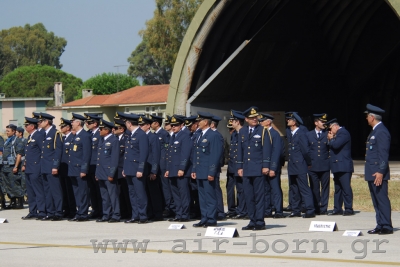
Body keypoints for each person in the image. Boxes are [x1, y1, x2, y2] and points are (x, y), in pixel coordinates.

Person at [237, 106, 271, 230]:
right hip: (246, 168)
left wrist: (266, 165)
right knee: (248, 196)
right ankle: (252, 220)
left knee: (259, 196)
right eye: (251, 118)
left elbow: (266, 150)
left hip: (258, 168)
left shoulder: (263, 131)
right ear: (246, 119)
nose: (254, 119)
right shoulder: (242, 131)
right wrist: (239, 166)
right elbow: (240, 150)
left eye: (255, 117)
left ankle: (260, 221)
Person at [364, 104, 393, 235]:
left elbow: (383, 154)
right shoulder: (375, 131)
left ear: (372, 117)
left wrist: (381, 171)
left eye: (367, 116)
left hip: (377, 173)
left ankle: (387, 225)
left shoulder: (381, 131)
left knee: (381, 199)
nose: (366, 118)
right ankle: (380, 224)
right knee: (376, 201)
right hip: (372, 172)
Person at [191, 111, 223, 228]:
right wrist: (194, 169)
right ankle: (204, 218)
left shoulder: (213, 135)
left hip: (208, 171)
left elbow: (215, 155)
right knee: (202, 196)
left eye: (200, 121)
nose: (198, 123)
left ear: (205, 122)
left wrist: (212, 171)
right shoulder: (200, 134)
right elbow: (196, 154)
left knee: (210, 195)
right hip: (200, 170)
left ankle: (211, 218)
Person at [286, 112, 315, 218]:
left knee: (304, 188)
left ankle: (310, 209)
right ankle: (295, 209)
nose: (287, 121)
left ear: (294, 122)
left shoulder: (301, 134)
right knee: (294, 188)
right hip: (292, 165)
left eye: (289, 119)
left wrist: (308, 163)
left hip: (300, 165)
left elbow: (305, 151)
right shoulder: (291, 133)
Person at [122, 113, 150, 224]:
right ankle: (135, 215)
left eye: (126, 123)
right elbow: (127, 154)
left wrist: (141, 169)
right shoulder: (131, 134)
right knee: (132, 193)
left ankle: (143, 215)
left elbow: (143, 154)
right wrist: (125, 168)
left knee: (140, 193)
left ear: (129, 123)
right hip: (129, 168)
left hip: (137, 169)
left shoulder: (141, 135)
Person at [165, 115, 192, 222]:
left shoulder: (185, 136)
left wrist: (182, 168)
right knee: (175, 193)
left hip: (181, 171)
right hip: (172, 169)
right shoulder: (173, 136)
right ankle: (178, 213)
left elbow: (185, 154)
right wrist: (168, 169)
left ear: (182, 125)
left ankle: (185, 214)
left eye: (176, 125)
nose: (173, 127)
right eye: (172, 125)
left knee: (183, 193)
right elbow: (169, 155)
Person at [325, 118, 354, 216]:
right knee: (338, 188)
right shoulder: (337, 134)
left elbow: (336, 145)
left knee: (346, 188)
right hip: (337, 166)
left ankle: (348, 208)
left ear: (335, 126)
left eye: (330, 129)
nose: (330, 132)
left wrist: (331, 138)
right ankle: (337, 208)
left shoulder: (343, 133)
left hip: (344, 165)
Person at [259, 113, 285, 219]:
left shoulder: (274, 134)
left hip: (272, 166)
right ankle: (267, 210)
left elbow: (276, 152)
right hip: (263, 166)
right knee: (265, 189)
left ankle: (278, 210)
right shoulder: (262, 133)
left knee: (275, 189)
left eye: (262, 120)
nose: (260, 122)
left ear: (268, 122)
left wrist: (273, 167)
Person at [38, 112, 63, 221]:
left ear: (46, 122)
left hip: (51, 167)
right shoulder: (44, 134)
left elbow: (58, 151)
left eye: (41, 121)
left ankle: (58, 212)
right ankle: (50, 212)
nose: (39, 123)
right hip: (44, 167)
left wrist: (55, 166)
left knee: (55, 191)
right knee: (47, 191)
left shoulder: (55, 133)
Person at [138, 115, 164, 221]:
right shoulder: (141, 136)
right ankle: (149, 212)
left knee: (154, 193)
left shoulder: (153, 137)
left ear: (148, 126)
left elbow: (155, 155)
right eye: (139, 125)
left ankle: (157, 214)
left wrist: (154, 171)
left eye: (142, 125)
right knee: (146, 193)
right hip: (144, 168)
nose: (140, 127)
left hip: (151, 169)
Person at [95, 119, 120, 223]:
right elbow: (99, 158)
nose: (99, 131)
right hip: (101, 172)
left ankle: (116, 214)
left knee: (113, 195)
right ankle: (106, 214)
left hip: (109, 172)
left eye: (101, 129)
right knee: (104, 196)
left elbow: (114, 159)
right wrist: (97, 173)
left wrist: (111, 173)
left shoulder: (114, 140)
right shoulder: (101, 140)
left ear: (107, 130)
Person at [68, 113, 92, 222]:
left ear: (78, 123)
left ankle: (83, 213)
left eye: (73, 121)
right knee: (76, 192)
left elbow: (86, 154)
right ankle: (79, 212)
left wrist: (84, 169)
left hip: (80, 169)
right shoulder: (75, 135)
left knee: (83, 192)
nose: (71, 123)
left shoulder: (85, 136)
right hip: (73, 169)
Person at [21, 117, 46, 220]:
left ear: (32, 126)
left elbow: (42, 152)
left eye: (27, 125)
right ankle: (32, 211)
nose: (25, 127)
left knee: (38, 191)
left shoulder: (39, 136)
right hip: (29, 167)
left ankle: (42, 211)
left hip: (36, 167)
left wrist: (40, 166)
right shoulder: (30, 136)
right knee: (30, 192)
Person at [306, 113, 330, 215]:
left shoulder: (327, 134)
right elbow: (307, 150)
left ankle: (323, 208)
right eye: (322, 121)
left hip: (325, 165)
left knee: (325, 188)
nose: (324, 123)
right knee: (314, 188)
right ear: (316, 123)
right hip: (313, 166)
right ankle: (316, 206)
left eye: (325, 122)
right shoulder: (309, 134)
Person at [228, 111, 248, 219]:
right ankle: (241, 210)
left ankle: (245, 210)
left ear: (238, 122)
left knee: (244, 189)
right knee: (240, 189)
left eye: (233, 121)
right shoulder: (235, 134)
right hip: (235, 166)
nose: (231, 122)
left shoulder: (244, 132)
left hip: (243, 166)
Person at [2, 124, 25, 209]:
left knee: (15, 184)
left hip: (12, 166)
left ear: (14, 131)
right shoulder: (7, 141)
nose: (6, 132)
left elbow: (19, 154)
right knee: (8, 185)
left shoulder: (17, 141)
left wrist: (16, 166)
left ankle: (20, 202)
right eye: (6, 131)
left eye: (8, 131)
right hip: (6, 166)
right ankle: (13, 202)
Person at [84, 113, 103, 219]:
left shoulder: (99, 134)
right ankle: (95, 210)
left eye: (89, 122)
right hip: (89, 166)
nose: (86, 124)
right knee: (92, 190)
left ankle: (101, 210)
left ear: (95, 123)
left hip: (96, 165)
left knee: (99, 189)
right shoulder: (88, 134)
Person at [113, 118, 131, 220]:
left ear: (122, 129)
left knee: (126, 193)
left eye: (116, 128)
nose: (113, 130)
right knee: (120, 194)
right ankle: (123, 213)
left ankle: (129, 213)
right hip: (117, 171)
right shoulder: (116, 139)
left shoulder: (126, 138)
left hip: (124, 170)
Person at [58, 118, 77, 218]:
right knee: (64, 191)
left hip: (70, 168)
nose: (60, 128)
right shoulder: (64, 138)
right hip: (63, 168)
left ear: (68, 127)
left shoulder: (72, 138)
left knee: (70, 191)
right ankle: (67, 209)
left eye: (62, 126)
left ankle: (72, 210)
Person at [210, 115, 226, 220]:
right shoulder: (211, 135)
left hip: (214, 167)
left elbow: (218, 153)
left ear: (212, 124)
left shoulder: (216, 135)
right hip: (210, 167)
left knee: (215, 189)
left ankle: (220, 211)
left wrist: (216, 166)